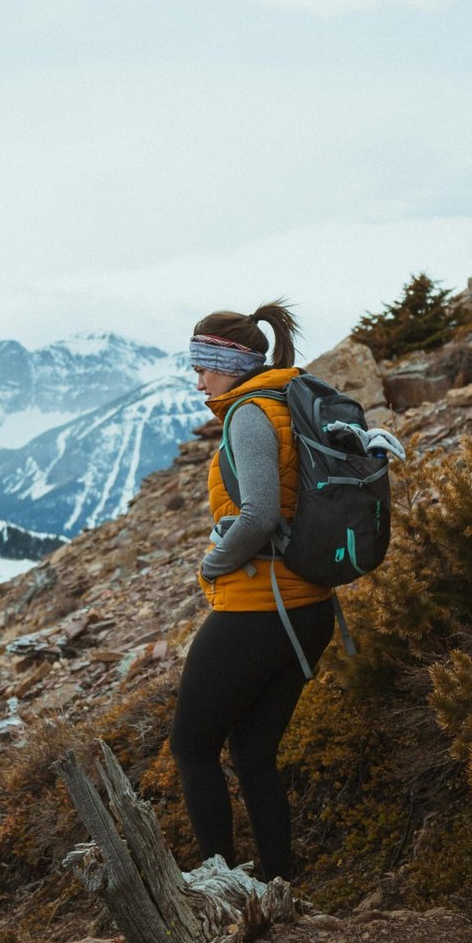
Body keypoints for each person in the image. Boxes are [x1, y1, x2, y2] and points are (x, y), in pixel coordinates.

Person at [169, 301, 336, 882]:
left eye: (204, 367)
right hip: (309, 607)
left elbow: (261, 514)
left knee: (191, 747)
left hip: (261, 608)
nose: (199, 381)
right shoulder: (289, 397)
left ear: (230, 362)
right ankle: (279, 880)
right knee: (253, 754)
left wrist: (213, 564)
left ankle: (219, 882)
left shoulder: (249, 413)